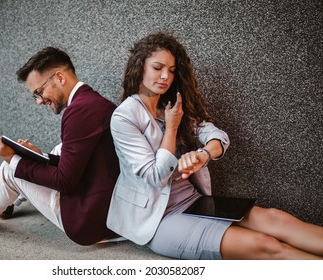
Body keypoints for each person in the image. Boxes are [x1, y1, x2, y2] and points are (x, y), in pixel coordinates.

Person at [106, 31, 323, 259]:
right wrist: (171, 128)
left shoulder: (172, 106)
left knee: (277, 218)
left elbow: (218, 136)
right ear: (140, 67)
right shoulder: (124, 117)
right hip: (158, 220)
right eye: (157, 67)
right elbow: (155, 176)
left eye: (171, 70)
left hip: (194, 202)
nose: (165, 76)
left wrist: (204, 155)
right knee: (265, 244)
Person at [0, 47, 120, 246]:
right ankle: (3, 201)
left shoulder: (79, 111)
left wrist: (11, 159)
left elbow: (65, 181)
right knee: (44, 154)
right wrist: (39, 155)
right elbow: (85, 163)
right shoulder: (94, 101)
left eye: (39, 92)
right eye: (35, 96)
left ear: (59, 77)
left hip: (88, 220)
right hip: (106, 209)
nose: (39, 101)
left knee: (11, 168)